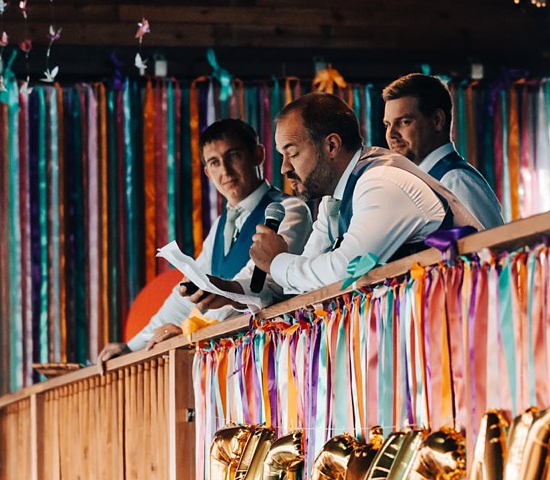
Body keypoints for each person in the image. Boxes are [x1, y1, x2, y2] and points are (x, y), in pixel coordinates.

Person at [96, 119, 311, 361]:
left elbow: (260, 286)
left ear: (257, 155)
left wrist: (191, 333)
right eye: (215, 163)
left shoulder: (289, 209)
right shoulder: (220, 226)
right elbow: (183, 300)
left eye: (234, 156)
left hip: (271, 355)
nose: (226, 171)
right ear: (208, 173)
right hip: (226, 357)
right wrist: (131, 347)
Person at [249, 93, 481, 294]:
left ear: (331, 146)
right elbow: (310, 272)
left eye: (293, 154)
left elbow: (344, 270)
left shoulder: (380, 181)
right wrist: (242, 291)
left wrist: (277, 262)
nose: (284, 168)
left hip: (465, 320)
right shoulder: (337, 196)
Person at [382, 73, 505, 229]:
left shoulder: (455, 182)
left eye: (404, 122)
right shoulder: (426, 181)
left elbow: (490, 250)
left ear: (437, 121)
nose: (391, 134)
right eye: (387, 124)